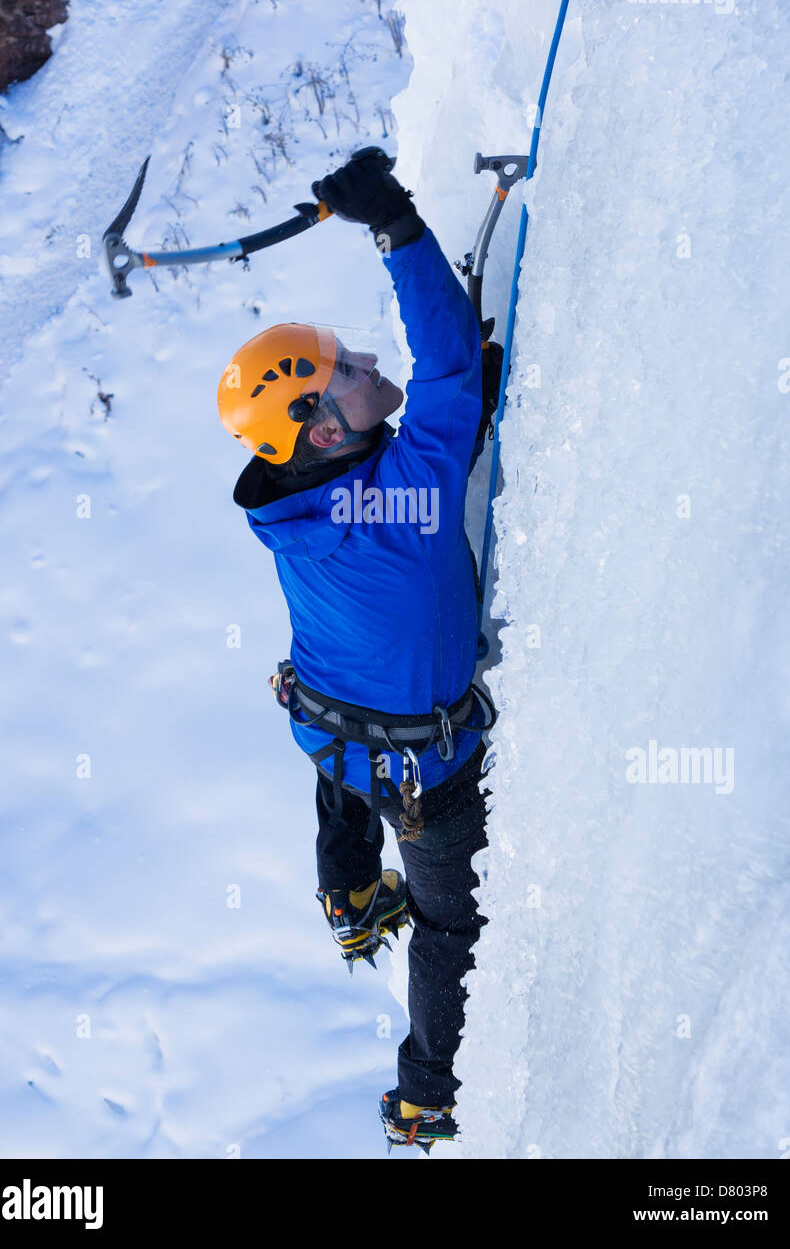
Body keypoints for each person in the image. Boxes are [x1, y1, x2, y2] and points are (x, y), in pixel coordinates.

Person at [218, 147, 498, 1151]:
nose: (368, 363)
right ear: (321, 425)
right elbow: (448, 365)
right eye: (346, 370)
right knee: (451, 926)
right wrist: (396, 224)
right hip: (426, 769)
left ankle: (345, 893)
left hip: (333, 723)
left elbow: (426, 400)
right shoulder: (405, 493)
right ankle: (425, 1091)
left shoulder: (293, 501)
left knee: (344, 748)